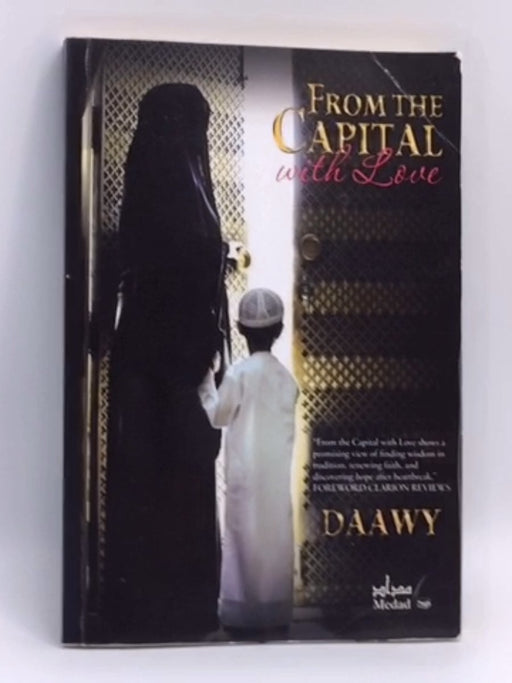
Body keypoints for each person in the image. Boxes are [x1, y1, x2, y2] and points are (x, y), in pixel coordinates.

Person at [103, 84, 228, 642]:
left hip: (144, 358)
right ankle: (183, 609)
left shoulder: (144, 183)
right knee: (181, 479)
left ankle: (142, 611)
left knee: (146, 479)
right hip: (181, 364)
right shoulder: (193, 195)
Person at [199, 288, 299, 636]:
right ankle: (275, 611)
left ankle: (241, 614)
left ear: (240, 330)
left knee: (242, 541)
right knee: (274, 541)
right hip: (274, 479)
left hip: (244, 479)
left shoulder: (238, 375)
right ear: (279, 329)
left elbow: (218, 415)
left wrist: (206, 382)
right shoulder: (287, 380)